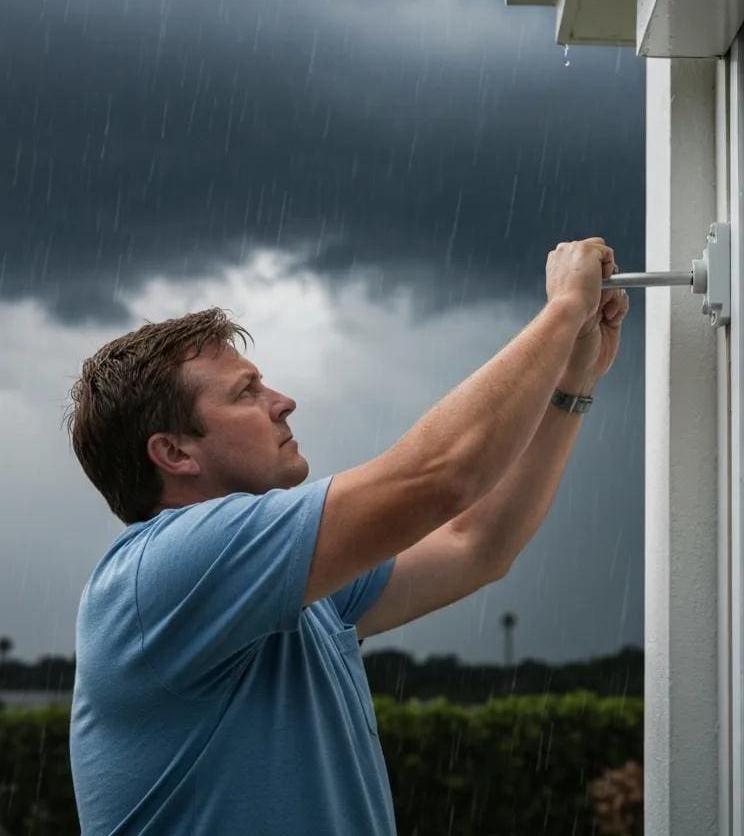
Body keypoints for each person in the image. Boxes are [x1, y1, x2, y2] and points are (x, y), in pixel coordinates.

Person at [65, 237, 629, 835]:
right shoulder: (166, 568)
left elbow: (477, 544)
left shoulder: (287, 590)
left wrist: (573, 384)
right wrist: (565, 309)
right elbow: (441, 477)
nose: (283, 402)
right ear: (174, 452)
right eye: (246, 392)